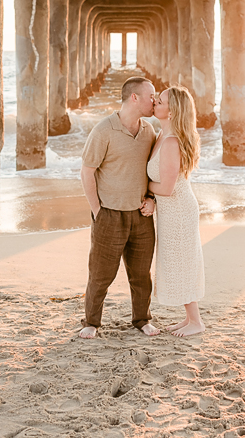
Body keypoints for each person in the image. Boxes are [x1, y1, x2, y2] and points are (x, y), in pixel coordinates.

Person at [79, 76, 160, 339]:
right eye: (151, 95)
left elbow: (153, 171)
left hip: (140, 215)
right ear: (134, 97)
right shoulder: (103, 130)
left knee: (141, 276)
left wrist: (152, 199)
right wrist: (97, 210)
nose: (155, 100)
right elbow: (87, 172)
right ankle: (91, 322)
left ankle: (142, 319)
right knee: (101, 275)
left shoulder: (149, 131)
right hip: (109, 215)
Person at [144, 86, 205, 337]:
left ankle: (196, 322)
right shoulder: (161, 134)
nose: (155, 103)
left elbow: (167, 188)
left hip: (178, 210)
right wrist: (152, 199)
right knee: (177, 261)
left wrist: (139, 186)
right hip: (171, 210)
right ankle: (189, 318)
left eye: (160, 101)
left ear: (173, 111)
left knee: (182, 263)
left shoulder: (170, 142)